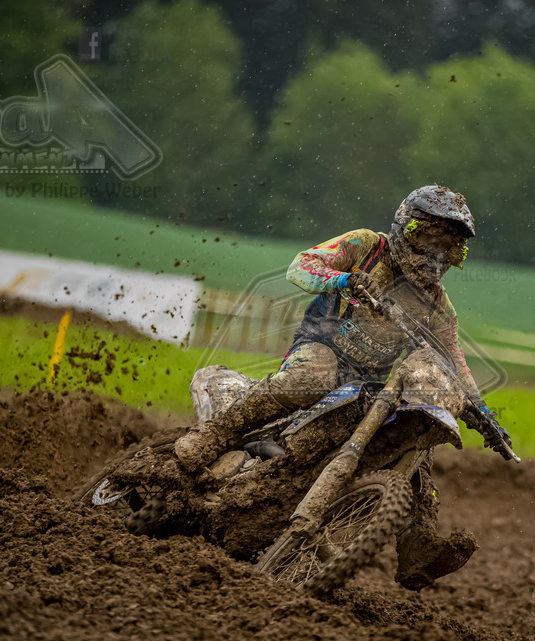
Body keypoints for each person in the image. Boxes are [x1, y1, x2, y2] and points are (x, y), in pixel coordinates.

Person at [176, 184, 512, 589]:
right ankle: (212, 436)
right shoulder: (366, 246)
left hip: (368, 389)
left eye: (450, 247)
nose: (437, 254)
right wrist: (344, 281)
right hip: (317, 350)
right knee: (314, 374)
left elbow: (454, 361)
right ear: (407, 229)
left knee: (419, 433)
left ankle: (418, 545)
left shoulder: (438, 306)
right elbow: (301, 265)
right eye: (430, 239)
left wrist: (483, 413)